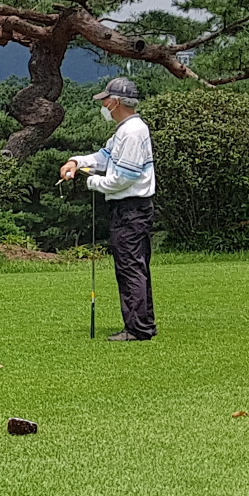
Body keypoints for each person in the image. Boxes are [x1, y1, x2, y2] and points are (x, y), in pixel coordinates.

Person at [59, 76, 156, 341]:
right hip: (131, 209)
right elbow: (104, 157)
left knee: (130, 267)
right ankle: (143, 323)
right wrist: (76, 161)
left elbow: (124, 178)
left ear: (115, 102)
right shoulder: (125, 130)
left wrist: (92, 182)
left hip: (130, 209)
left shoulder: (132, 132)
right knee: (135, 266)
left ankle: (137, 329)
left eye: (105, 101)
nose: (103, 106)